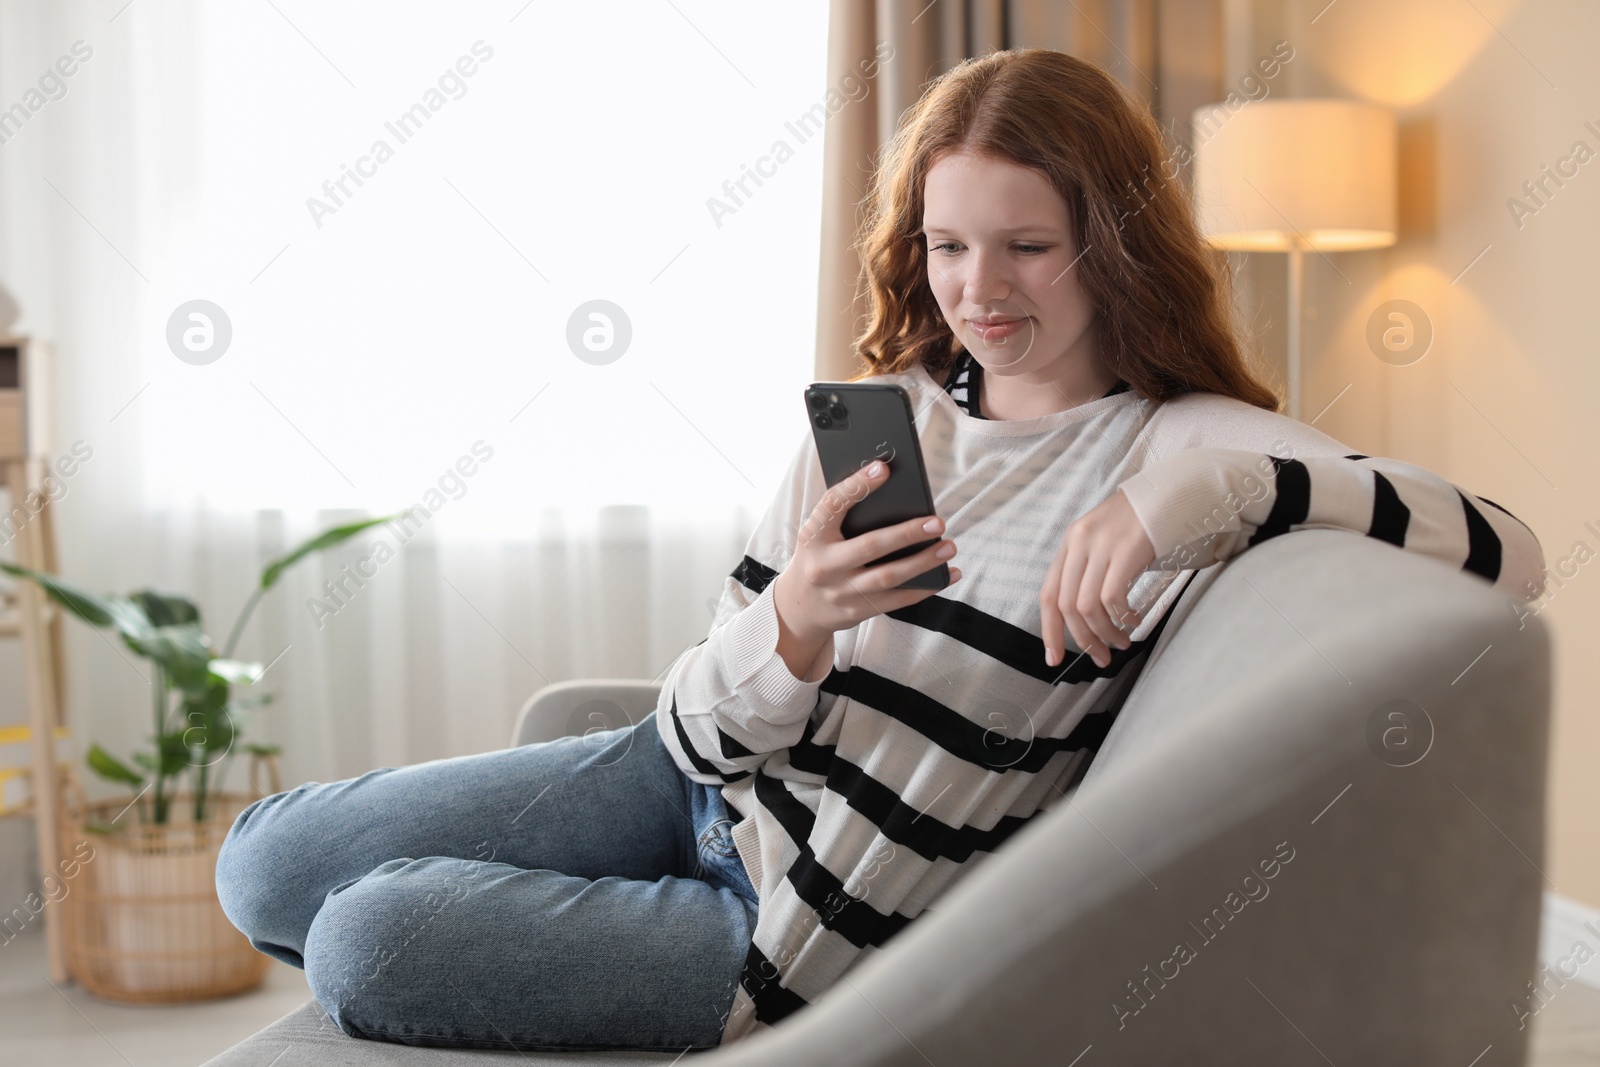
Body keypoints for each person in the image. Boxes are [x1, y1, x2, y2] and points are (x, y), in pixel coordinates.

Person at [216, 48, 1546, 1053]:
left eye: (1027, 246)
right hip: (697, 778)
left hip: (785, 928)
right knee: (262, 862)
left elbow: (1509, 551)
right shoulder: (891, 412)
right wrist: (791, 622)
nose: (979, 292)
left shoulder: (1187, 445)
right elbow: (720, 709)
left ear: (1114, 244)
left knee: (361, 931)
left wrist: (1189, 496)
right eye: (950, 245)